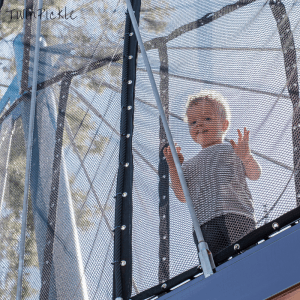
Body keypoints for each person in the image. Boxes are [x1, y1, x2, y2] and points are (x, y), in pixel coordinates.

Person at [163, 90, 261, 256]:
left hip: (236, 215)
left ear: (224, 125)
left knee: (247, 256)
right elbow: (182, 196)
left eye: (207, 119)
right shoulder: (189, 165)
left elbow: (255, 174)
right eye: (193, 122)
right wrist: (173, 167)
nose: (199, 125)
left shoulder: (233, 149)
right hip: (204, 225)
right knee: (216, 265)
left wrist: (246, 156)